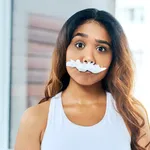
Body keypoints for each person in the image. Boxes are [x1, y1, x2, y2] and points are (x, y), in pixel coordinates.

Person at [15, 8, 150, 150]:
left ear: (113, 58)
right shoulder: (35, 118)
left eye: (101, 48)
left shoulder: (133, 115)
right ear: (64, 50)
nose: (88, 58)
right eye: (79, 45)